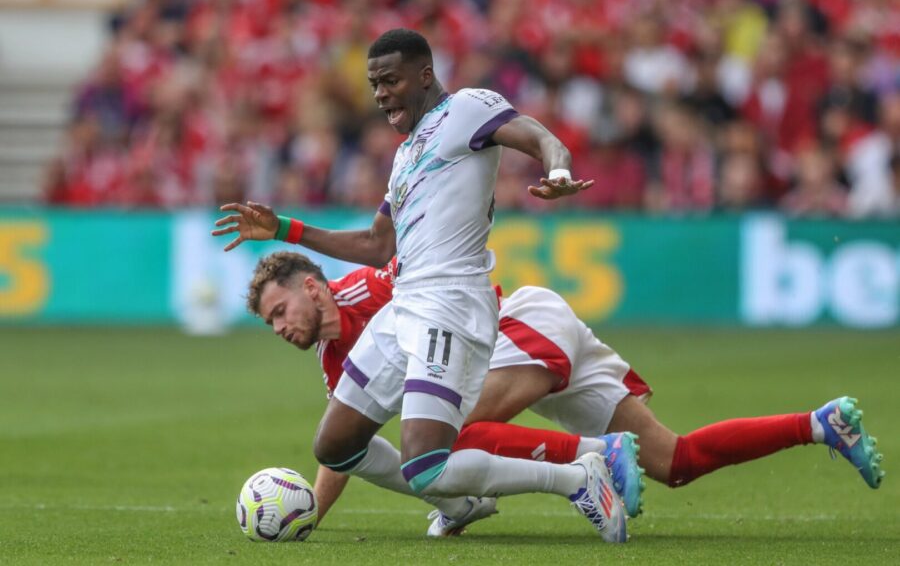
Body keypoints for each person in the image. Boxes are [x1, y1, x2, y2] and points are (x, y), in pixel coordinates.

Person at [212, 29, 633, 542]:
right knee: (335, 445)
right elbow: (376, 244)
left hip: (450, 303)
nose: (380, 93)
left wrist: (559, 171)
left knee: (425, 464)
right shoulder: (406, 155)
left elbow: (542, 138)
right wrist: (284, 228)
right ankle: (461, 504)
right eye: (374, 84)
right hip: (406, 303)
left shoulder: (467, 109)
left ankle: (575, 479)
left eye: (390, 80)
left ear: (425, 75)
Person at [240, 251, 884, 530]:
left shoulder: (369, 288)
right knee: (674, 461)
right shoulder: (334, 361)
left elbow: (437, 269)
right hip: (529, 350)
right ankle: (820, 424)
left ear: (312, 288)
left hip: (519, 326)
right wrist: (311, 512)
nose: (279, 328)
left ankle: (591, 462)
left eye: (279, 312)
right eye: (270, 323)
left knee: (442, 442)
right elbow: (343, 446)